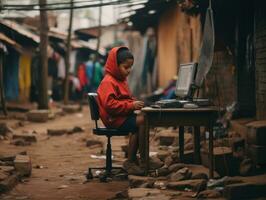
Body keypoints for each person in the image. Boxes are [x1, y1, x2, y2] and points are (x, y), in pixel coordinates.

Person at [97, 46, 145, 175]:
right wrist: (131, 106)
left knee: (144, 118)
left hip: (120, 116)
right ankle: (134, 160)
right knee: (143, 121)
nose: (129, 70)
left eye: (130, 67)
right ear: (115, 65)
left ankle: (136, 158)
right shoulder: (108, 82)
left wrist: (135, 103)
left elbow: (125, 98)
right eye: (126, 67)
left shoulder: (120, 80)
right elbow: (110, 105)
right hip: (113, 119)